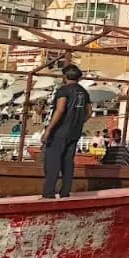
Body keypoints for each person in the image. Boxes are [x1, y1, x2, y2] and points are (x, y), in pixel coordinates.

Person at [40, 65, 92, 199]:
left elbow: (60, 109)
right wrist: (79, 122)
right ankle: (65, 192)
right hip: (74, 132)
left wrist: (48, 130)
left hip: (60, 131)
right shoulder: (83, 92)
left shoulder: (63, 90)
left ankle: (49, 192)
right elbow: (89, 112)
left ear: (65, 76)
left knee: (53, 162)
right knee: (68, 162)